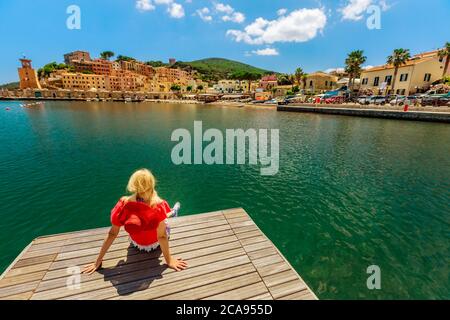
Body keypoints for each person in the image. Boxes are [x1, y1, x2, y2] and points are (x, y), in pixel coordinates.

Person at [82, 169, 187, 275]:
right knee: (165, 221)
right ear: (152, 184)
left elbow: (112, 234)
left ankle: (172, 212)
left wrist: (98, 261)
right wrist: (169, 261)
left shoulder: (123, 203)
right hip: (155, 244)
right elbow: (162, 237)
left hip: (137, 244)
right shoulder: (159, 205)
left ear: (133, 185)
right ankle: (173, 211)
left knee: (157, 218)